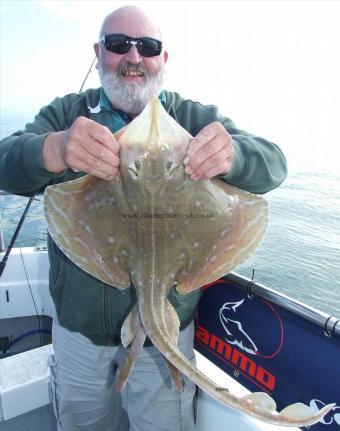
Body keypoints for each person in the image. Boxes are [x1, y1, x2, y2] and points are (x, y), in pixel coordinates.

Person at [0, 5, 287, 431]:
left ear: (162, 59)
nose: (134, 57)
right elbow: (6, 164)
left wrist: (236, 155)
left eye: (148, 47)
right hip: (80, 331)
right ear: (99, 54)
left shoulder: (193, 118)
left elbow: (273, 166)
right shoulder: (69, 114)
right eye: (118, 45)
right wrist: (56, 149)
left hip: (167, 330)